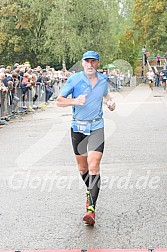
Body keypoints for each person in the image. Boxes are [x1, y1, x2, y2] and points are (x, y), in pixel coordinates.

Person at [56, 50, 116, 226]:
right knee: (83, 168)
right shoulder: (74, 80)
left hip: (96, 125)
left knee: (94, 165)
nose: (90, 64)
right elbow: (59, 101)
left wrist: (110, 102)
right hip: (78, 128)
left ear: (98, 63)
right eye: (87, 61)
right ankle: (90, 191)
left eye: (93, 61)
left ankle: (91, 209)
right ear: (82, 63)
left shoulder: (103, 80)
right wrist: (75, 101)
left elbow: (106, 95)